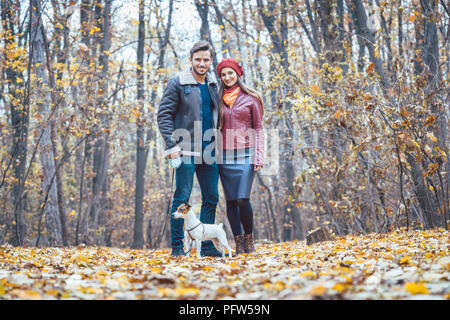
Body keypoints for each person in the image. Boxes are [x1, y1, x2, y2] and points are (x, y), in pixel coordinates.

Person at [157, 40, 223, 257]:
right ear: (191, 60)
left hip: (209, 151)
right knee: (182, 197)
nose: (202, 63)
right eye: (198, 59)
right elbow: (164, 115)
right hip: (184, 150)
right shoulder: (177, 83)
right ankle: (177, 248)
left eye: (206, 60)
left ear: (211, 61)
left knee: (211, 197)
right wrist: (171, 145)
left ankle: (205, 246)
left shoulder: (213, 85)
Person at [216, 58, 264, 254]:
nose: (227, 77)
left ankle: (250, 240)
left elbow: (259, 129)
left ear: (237, 74)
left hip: (246, 153)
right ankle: (238, 243)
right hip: (224, 156)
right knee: (231, 201)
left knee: (243, 198)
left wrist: (259, 157)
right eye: (223, 74)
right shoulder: (217, 99)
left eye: (230, 73)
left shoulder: (251, 98)